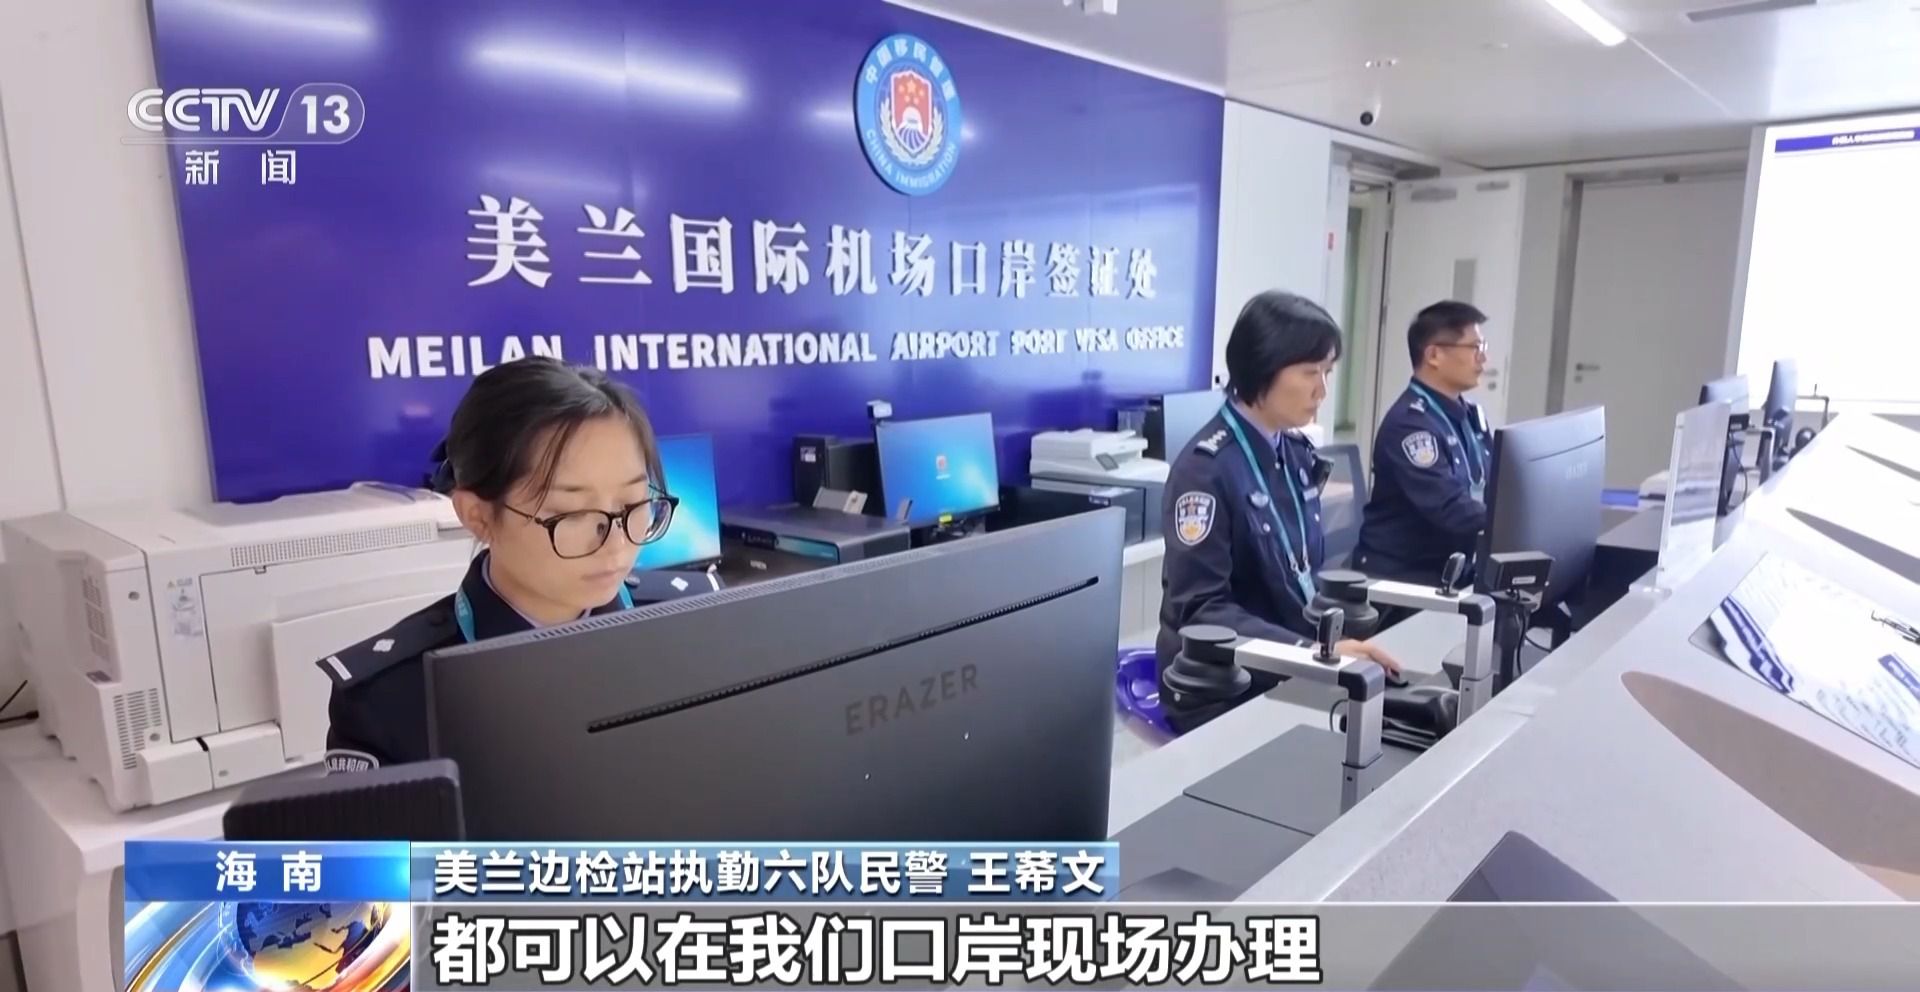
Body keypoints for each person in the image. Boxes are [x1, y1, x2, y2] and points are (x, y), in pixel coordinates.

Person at [316, 357, 676, 772]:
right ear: (478, 516)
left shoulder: (693, 621)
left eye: (632, 503)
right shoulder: (389, 698)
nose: (616, 543)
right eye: (573, 514)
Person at [1158, 290, 1402, 729]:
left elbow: (1299, 573)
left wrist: (1328, 647)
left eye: (1327, 372)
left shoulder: (1293, 451)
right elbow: (1202, 611)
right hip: (1225, 683)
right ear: (1262, 367)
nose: (1322, 389)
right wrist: (1311, 652)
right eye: (1310, 372)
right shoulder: (1204, 472)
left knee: (1401, 710)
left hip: (1294, 659)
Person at [1354, 301, 1495, 586]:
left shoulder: (1468, 415)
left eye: (1483, 347)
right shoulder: (1410, 426)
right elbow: (1451, 510)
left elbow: (1495, 482)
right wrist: (1514, 520)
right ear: (1434, 355)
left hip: (1453, 570)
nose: (1483, 358)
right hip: (1403, 579)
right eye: (1474, 348)